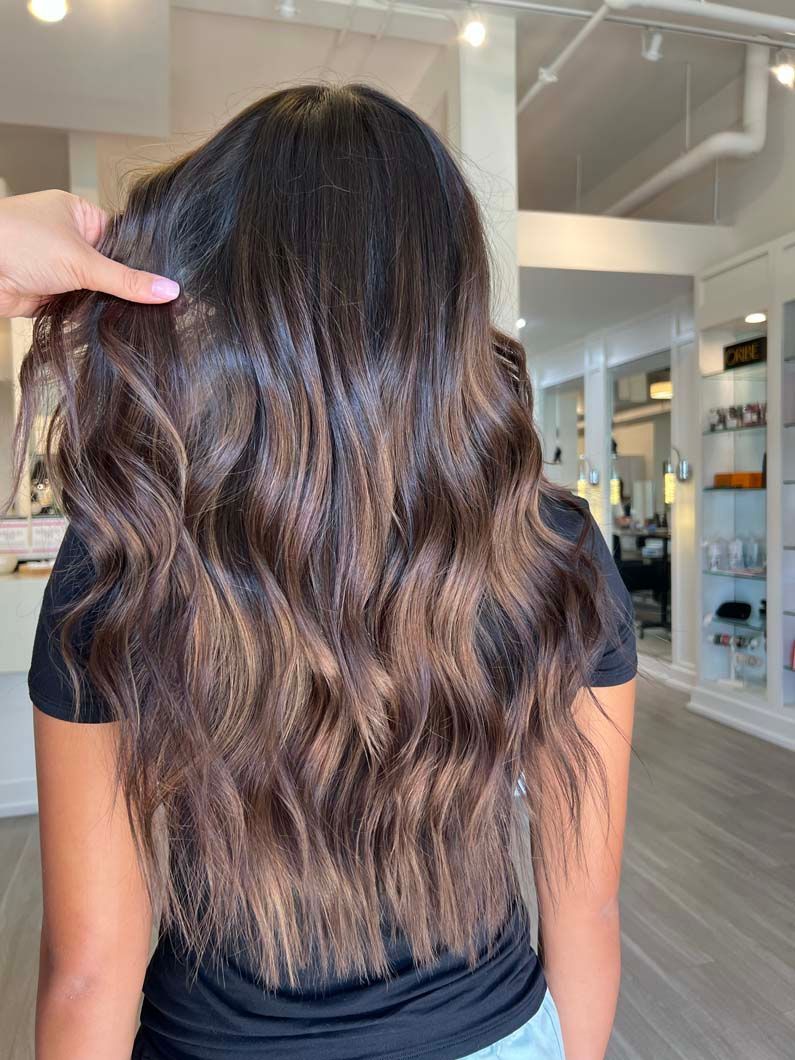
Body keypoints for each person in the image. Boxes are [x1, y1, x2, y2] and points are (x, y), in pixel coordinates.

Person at [2, 84, 636, 1060]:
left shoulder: (129, 548)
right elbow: (584, 912)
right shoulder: (548, 542)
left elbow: (91, 968)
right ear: (446, 295)